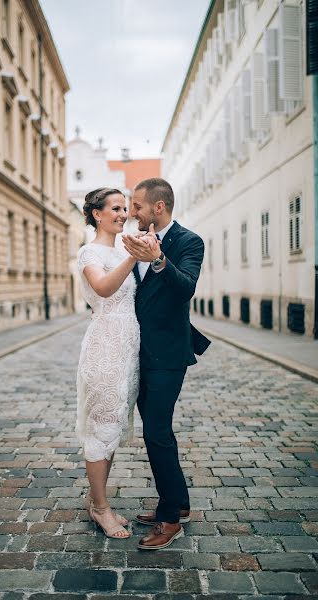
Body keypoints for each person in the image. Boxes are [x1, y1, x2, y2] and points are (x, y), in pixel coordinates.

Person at [122, 177, 210, 550]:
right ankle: (178, 503)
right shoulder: (134, 242)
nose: (132, 212)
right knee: (157, 431)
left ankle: (170, 519)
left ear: (158, 207)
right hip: (137, 352)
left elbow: (185, 287)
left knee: (157, 433)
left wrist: (158, 259)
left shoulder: (189, 241)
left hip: (168, 355)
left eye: (137, 206)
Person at [76, 187, 159, 539]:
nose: (123, 214)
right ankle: (100, 508)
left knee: (112, 429)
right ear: (97, 214)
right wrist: (132, 257)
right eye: (115, 208)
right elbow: (105, 288)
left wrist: (149, 255)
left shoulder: (121, 247)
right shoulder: (89, 252)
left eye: (125, 208)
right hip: (104, 347)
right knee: (101, 426)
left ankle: (97, 499)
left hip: (129, 349)